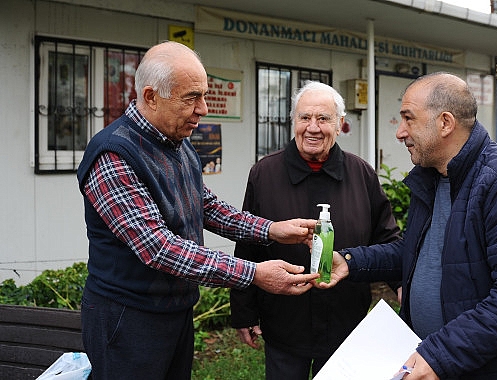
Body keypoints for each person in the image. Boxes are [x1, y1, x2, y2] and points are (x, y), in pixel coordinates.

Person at [318, 72, 497, 379]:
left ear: (445, 123)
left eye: (409, 119)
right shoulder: (433, 178)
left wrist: (440, 354)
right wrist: (350, 263)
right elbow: (418, 254)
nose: (400, 132)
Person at [76, 41, 319, 380]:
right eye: (191, 97)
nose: (203, 109)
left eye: (204, 95)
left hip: (174, 310)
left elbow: (204, 205)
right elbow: (159, 248)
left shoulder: (176, 142)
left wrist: (270, 229)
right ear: (150, 97)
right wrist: (253, 274)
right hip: (127, 317)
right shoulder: (113, 155)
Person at [230, 81, 401, 379]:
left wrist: (403, 286)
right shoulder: (264, 173)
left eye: (323, 119)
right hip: (284, 320)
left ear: (340, 125)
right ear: (293, 121)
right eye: (304, 118)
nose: (313, 127)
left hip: (345, 321)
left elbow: (386, 239)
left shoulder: (361, 174)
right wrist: (243, 312)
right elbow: (248, 242)